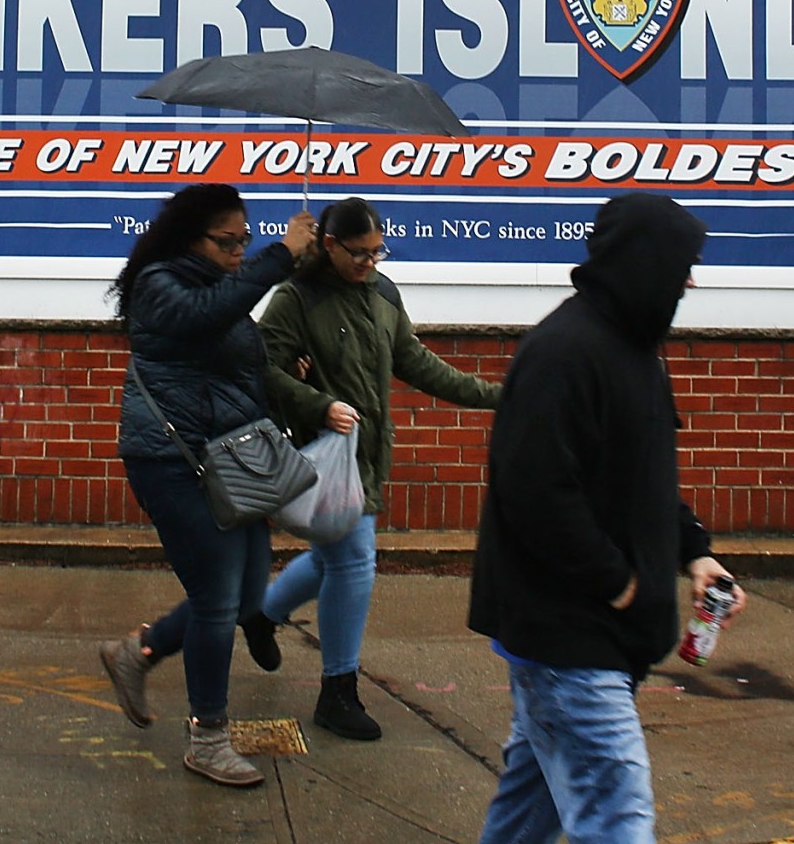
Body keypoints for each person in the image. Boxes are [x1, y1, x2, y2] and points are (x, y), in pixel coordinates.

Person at [467, 192, 746, 844]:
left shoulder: (634, 350)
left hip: (592, 638)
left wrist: (694, 553)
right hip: (571, 639)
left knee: (527, 809)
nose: (691, 280)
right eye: (684, 264)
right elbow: (534, 493)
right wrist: (618, 583)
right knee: (618, 818)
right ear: (646, 263)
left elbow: (640, 483)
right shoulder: (563, 353)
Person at [247, 197, 503, 741]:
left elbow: (416, 362)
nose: (370, 262)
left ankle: (262, 615)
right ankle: (337, 691)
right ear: (329, 245)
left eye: (378, 251)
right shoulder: (296, 297)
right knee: (355, 560)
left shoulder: (383, 294)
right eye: (359, 253)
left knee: (330, 559)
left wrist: (496, 396)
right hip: (320, 453)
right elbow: (260, 368)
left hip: (367, 456)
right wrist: (318, 404)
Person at [97, 183, 317, 788]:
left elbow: (231, 357)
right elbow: (202, 319)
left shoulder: (217, 289)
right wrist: (281, 255)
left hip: (225, 460)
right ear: (191, 237)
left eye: (245, 240)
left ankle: (136, 652)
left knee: (247, 596)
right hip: (173, 461)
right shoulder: (161, 285)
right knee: (219, 598)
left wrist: (289, 379)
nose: (240, 252)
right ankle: (209, 737)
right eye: (229, 241)